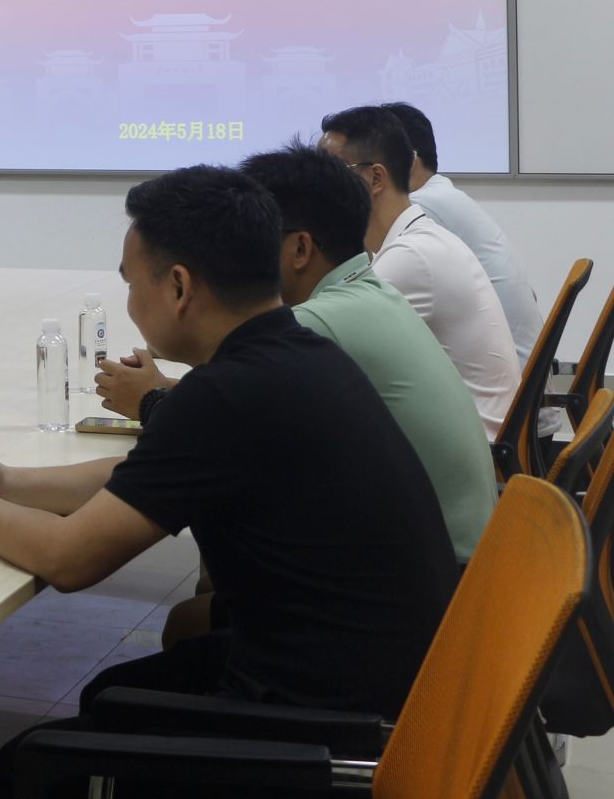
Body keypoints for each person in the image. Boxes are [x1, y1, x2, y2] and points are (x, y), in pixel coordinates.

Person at [0, 167, 459, 799]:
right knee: (112, 693)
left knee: (28, 762)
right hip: (392, 684)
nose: (132, 303)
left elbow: (69, 560)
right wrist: (7, 483)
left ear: (180, 286)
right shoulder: (293, 356)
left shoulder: (224, 396)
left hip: (331, 725)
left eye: (132, 283)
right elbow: (146, 478)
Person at [98, 142, 495, 565]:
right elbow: (244, 404)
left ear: (301, 248)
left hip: (445, 568)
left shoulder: (314, 324)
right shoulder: (366, 294)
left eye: (255, 233)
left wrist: (151, 399)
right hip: (464, 555)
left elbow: (221, 419)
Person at [321, 105, 520, 438]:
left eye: (330, 171)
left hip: (478, 445)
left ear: (375, 178)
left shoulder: (411, 256)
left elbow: (330, 356)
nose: (315, 184)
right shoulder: (414, 238)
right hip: (479, 434)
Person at [383, 100, 558, 437]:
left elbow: (373, 306)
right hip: (521, 404)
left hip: (507, 425)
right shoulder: (444, 198)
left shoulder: (421, 209)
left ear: (408, 160)